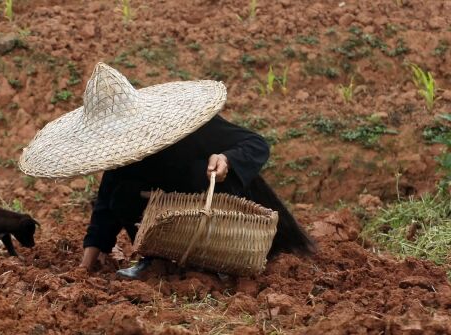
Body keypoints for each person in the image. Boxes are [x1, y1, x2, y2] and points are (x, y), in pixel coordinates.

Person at [19, 62, 316, 279]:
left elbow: (255, 144)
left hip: (217, 217)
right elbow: (106, 206)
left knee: (196, 173)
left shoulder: (192, 128)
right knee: (123, 193)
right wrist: (85, 266)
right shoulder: (123, 154)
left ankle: (217, 264)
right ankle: (158, 261)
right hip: (169, 230)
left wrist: (226, 159)